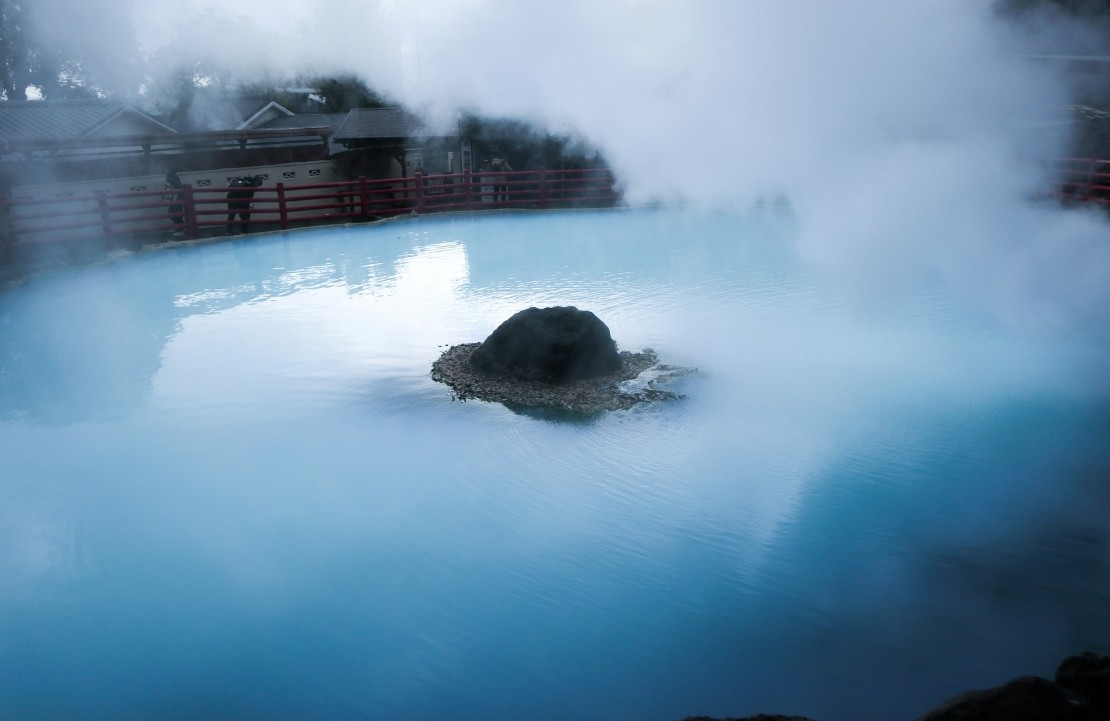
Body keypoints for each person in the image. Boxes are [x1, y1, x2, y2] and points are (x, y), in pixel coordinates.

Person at [162, 168, 184, 237]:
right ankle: (179, 229)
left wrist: (168, 187)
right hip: (175, 197)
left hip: (176, 198)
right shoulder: (172, 176)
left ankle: (179, 230)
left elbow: (174, 187)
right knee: (175, 214)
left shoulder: (171, 176)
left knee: (174, 214)